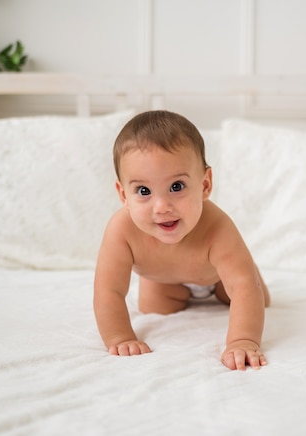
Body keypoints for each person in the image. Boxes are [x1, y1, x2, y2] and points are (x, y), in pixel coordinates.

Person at [93, 110, 271, 371]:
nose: (162, 206)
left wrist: (242, 340)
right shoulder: (121, 231)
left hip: (217, 277)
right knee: (154, 309)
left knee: (254, 294)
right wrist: (120, 337)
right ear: (123, 194)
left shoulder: (218, 227)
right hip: (162, 281)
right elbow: (109, 290)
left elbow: (243, 287)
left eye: (177, 186)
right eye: (144, 191)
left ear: (205, 184)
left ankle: (248, 271)